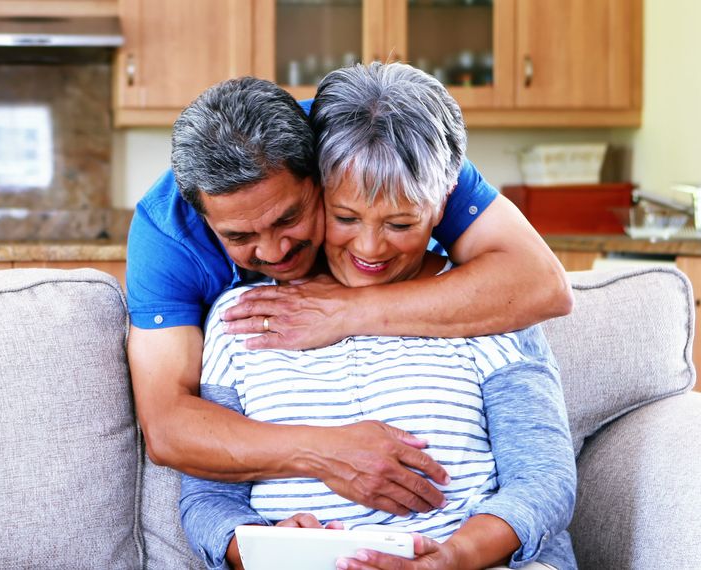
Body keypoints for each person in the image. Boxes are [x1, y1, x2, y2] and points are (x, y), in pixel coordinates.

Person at [180, 62, 576, 570]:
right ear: (316, 189)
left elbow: (544, 481)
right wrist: (265, 541)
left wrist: (448, 559)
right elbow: (206, 499)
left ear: (443, 205)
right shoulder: (241, 317)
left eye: (401, 222)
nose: (369, 248)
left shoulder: (490, 301)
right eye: (345, 217)